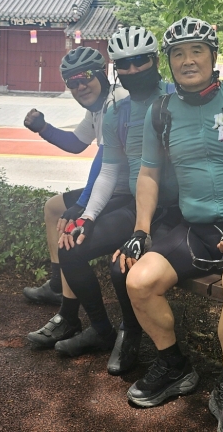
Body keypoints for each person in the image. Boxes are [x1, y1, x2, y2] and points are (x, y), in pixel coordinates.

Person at [115, 16, 223, 432]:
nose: (188, 60)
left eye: (197, 51)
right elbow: (148, 174)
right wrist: (140, 231)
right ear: (169, 62)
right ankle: (174, 366)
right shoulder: (161, 112)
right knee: (138, 282)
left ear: (213, 56)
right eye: (178, 54)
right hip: (195, 228)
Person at [54, 26, 180, 373]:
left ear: (156, 61)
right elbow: (109, 172)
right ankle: (100, 329)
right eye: (125, 64)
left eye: (141, 61)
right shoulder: (116, 112)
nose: (133, 70)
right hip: (137, 206)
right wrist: (87, 216)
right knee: (70, 247)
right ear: (115, 69)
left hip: (176, 210)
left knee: (120, 264)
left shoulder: (178, 97)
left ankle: (131, 333)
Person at [23, 47, 128, 348]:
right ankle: (58, 284)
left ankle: (69, 314)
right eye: (72, 82)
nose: (80, 86)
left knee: (68, 235)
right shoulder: (97, 106)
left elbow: (106, 161)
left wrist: (82, 206)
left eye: (85, 77)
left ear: (102, 73)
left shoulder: (117, 102)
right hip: (112, 189)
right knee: (53, 208)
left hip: (127, 194)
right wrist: (43, 128)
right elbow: (77, 143)